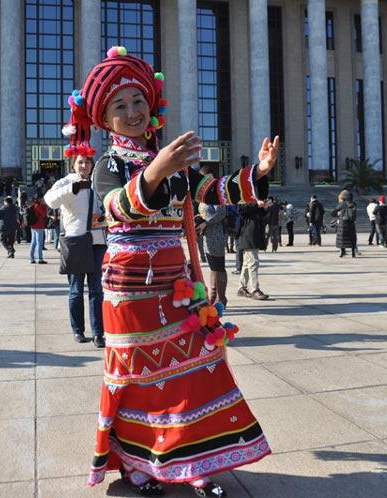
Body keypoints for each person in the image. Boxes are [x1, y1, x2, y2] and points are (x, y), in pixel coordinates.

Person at [66, 46, 276, 496]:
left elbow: (214, 190)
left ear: (151, 105)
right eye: (119, 106)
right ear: (104, 119)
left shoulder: (174, 163)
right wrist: (154, 172)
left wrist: (257, 172)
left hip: (178, 286)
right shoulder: (108, 165)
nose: (133, 111)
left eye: (138, 100)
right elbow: (117, 208)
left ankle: (191, 461)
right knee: (141, 381)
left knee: (194, 374)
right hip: (129, 291)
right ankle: (141, 465)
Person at [45, 155, 106, 346]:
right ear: (73, 164)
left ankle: (98, 333)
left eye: (88, 162)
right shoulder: (66, 182)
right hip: (76, 241)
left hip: (97, 241)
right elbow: (50, 200)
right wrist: (72, 189)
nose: (84, 165)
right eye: (80, 162)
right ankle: (78, 330)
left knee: (97, 290)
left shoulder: (98, 182)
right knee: (76, 290)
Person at [197, 166, 229, 307]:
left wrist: (206, 223)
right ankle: (213, 295)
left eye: (209, 178)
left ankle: (221, 298)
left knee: (219, 266)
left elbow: (221, 213)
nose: (207, 181)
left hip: (217, 234)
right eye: (204, 178)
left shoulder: (218, 194)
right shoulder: (203, 194)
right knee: (212, 267)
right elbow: (206, 212)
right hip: (207, 235)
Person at [237, 201, 271, 300]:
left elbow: (260, 216)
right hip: (248, 234)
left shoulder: (255, 194)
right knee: (253, 262)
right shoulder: (245, 193)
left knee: (248, 263)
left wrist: (264, 207)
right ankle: (254, 289)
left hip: (254, 233)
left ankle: (241, 287)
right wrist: (256, 204)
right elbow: (241, 209)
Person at [331, 190, 357, 257]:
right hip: (351, 223)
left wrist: (337, 213)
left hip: (343, 223)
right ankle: (353, 253)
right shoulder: (353, 204)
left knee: (342, 238)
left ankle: (342, 252)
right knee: (352, 238)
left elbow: (333, 213)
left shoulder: (342, 204)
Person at [26, 195, 48, 264]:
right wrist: (45, 206)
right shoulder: (38, 206)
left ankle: (32, 258)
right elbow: (44, 214)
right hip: (39, 226)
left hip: (34, 226)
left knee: (33, 243)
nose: (43, 200)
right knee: (39, 243)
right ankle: (40, 259)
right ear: (38, 199)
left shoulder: (33, 205)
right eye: (42, 198)